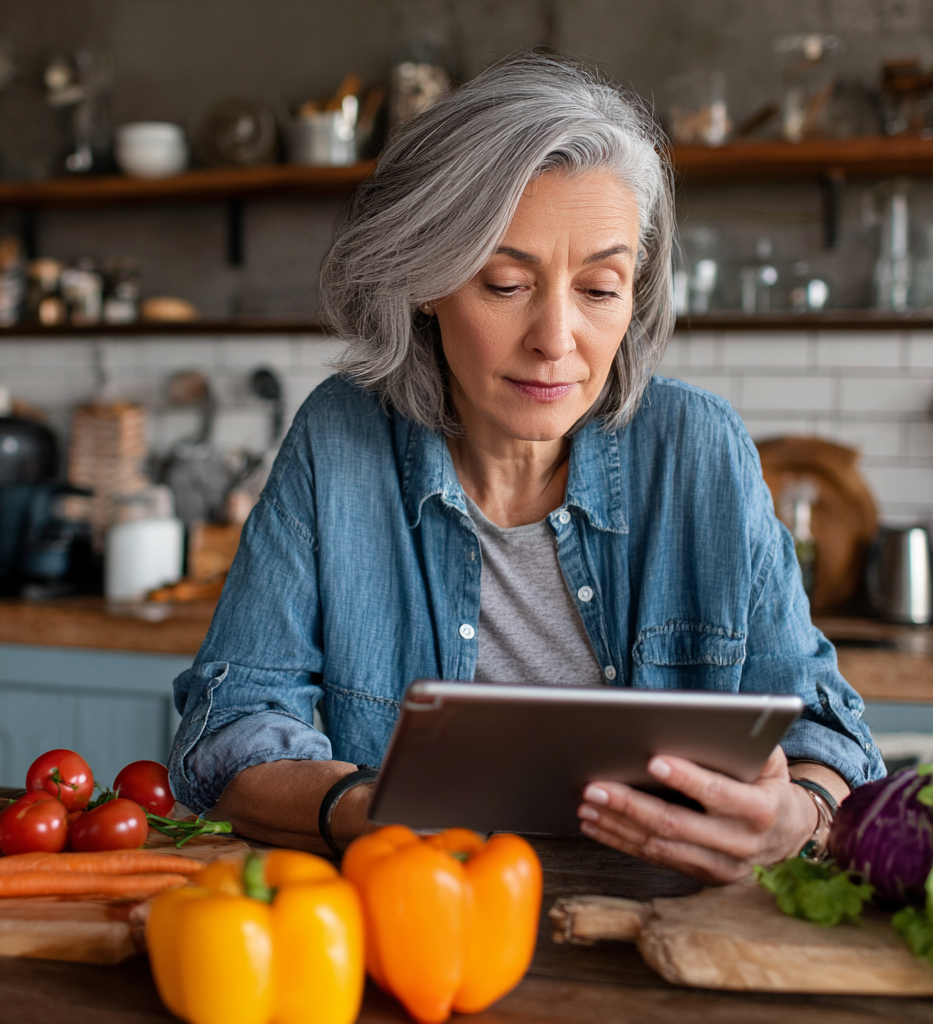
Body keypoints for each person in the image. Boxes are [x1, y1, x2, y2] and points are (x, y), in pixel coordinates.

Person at [168, 53, 883, 884]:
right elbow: (232, 728)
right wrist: (360, 809)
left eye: (600, 288)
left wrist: (797, 816)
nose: (556, 338)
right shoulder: (342, 438)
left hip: (671, 935)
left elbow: (827, 732)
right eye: (506, 284)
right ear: (425, 282)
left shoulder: (700, 447)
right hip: (427, 923)